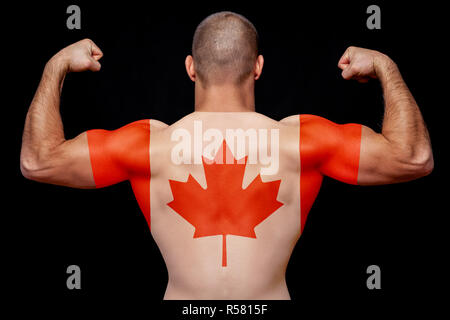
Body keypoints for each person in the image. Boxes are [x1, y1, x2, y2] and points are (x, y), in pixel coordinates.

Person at [20, 11, 433, 299]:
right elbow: (414, 158)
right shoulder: (300, 141)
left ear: (190, 68)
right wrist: (384, 65)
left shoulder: (149, 145)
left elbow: (38, 161)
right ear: (257, 67)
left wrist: (55, 65)